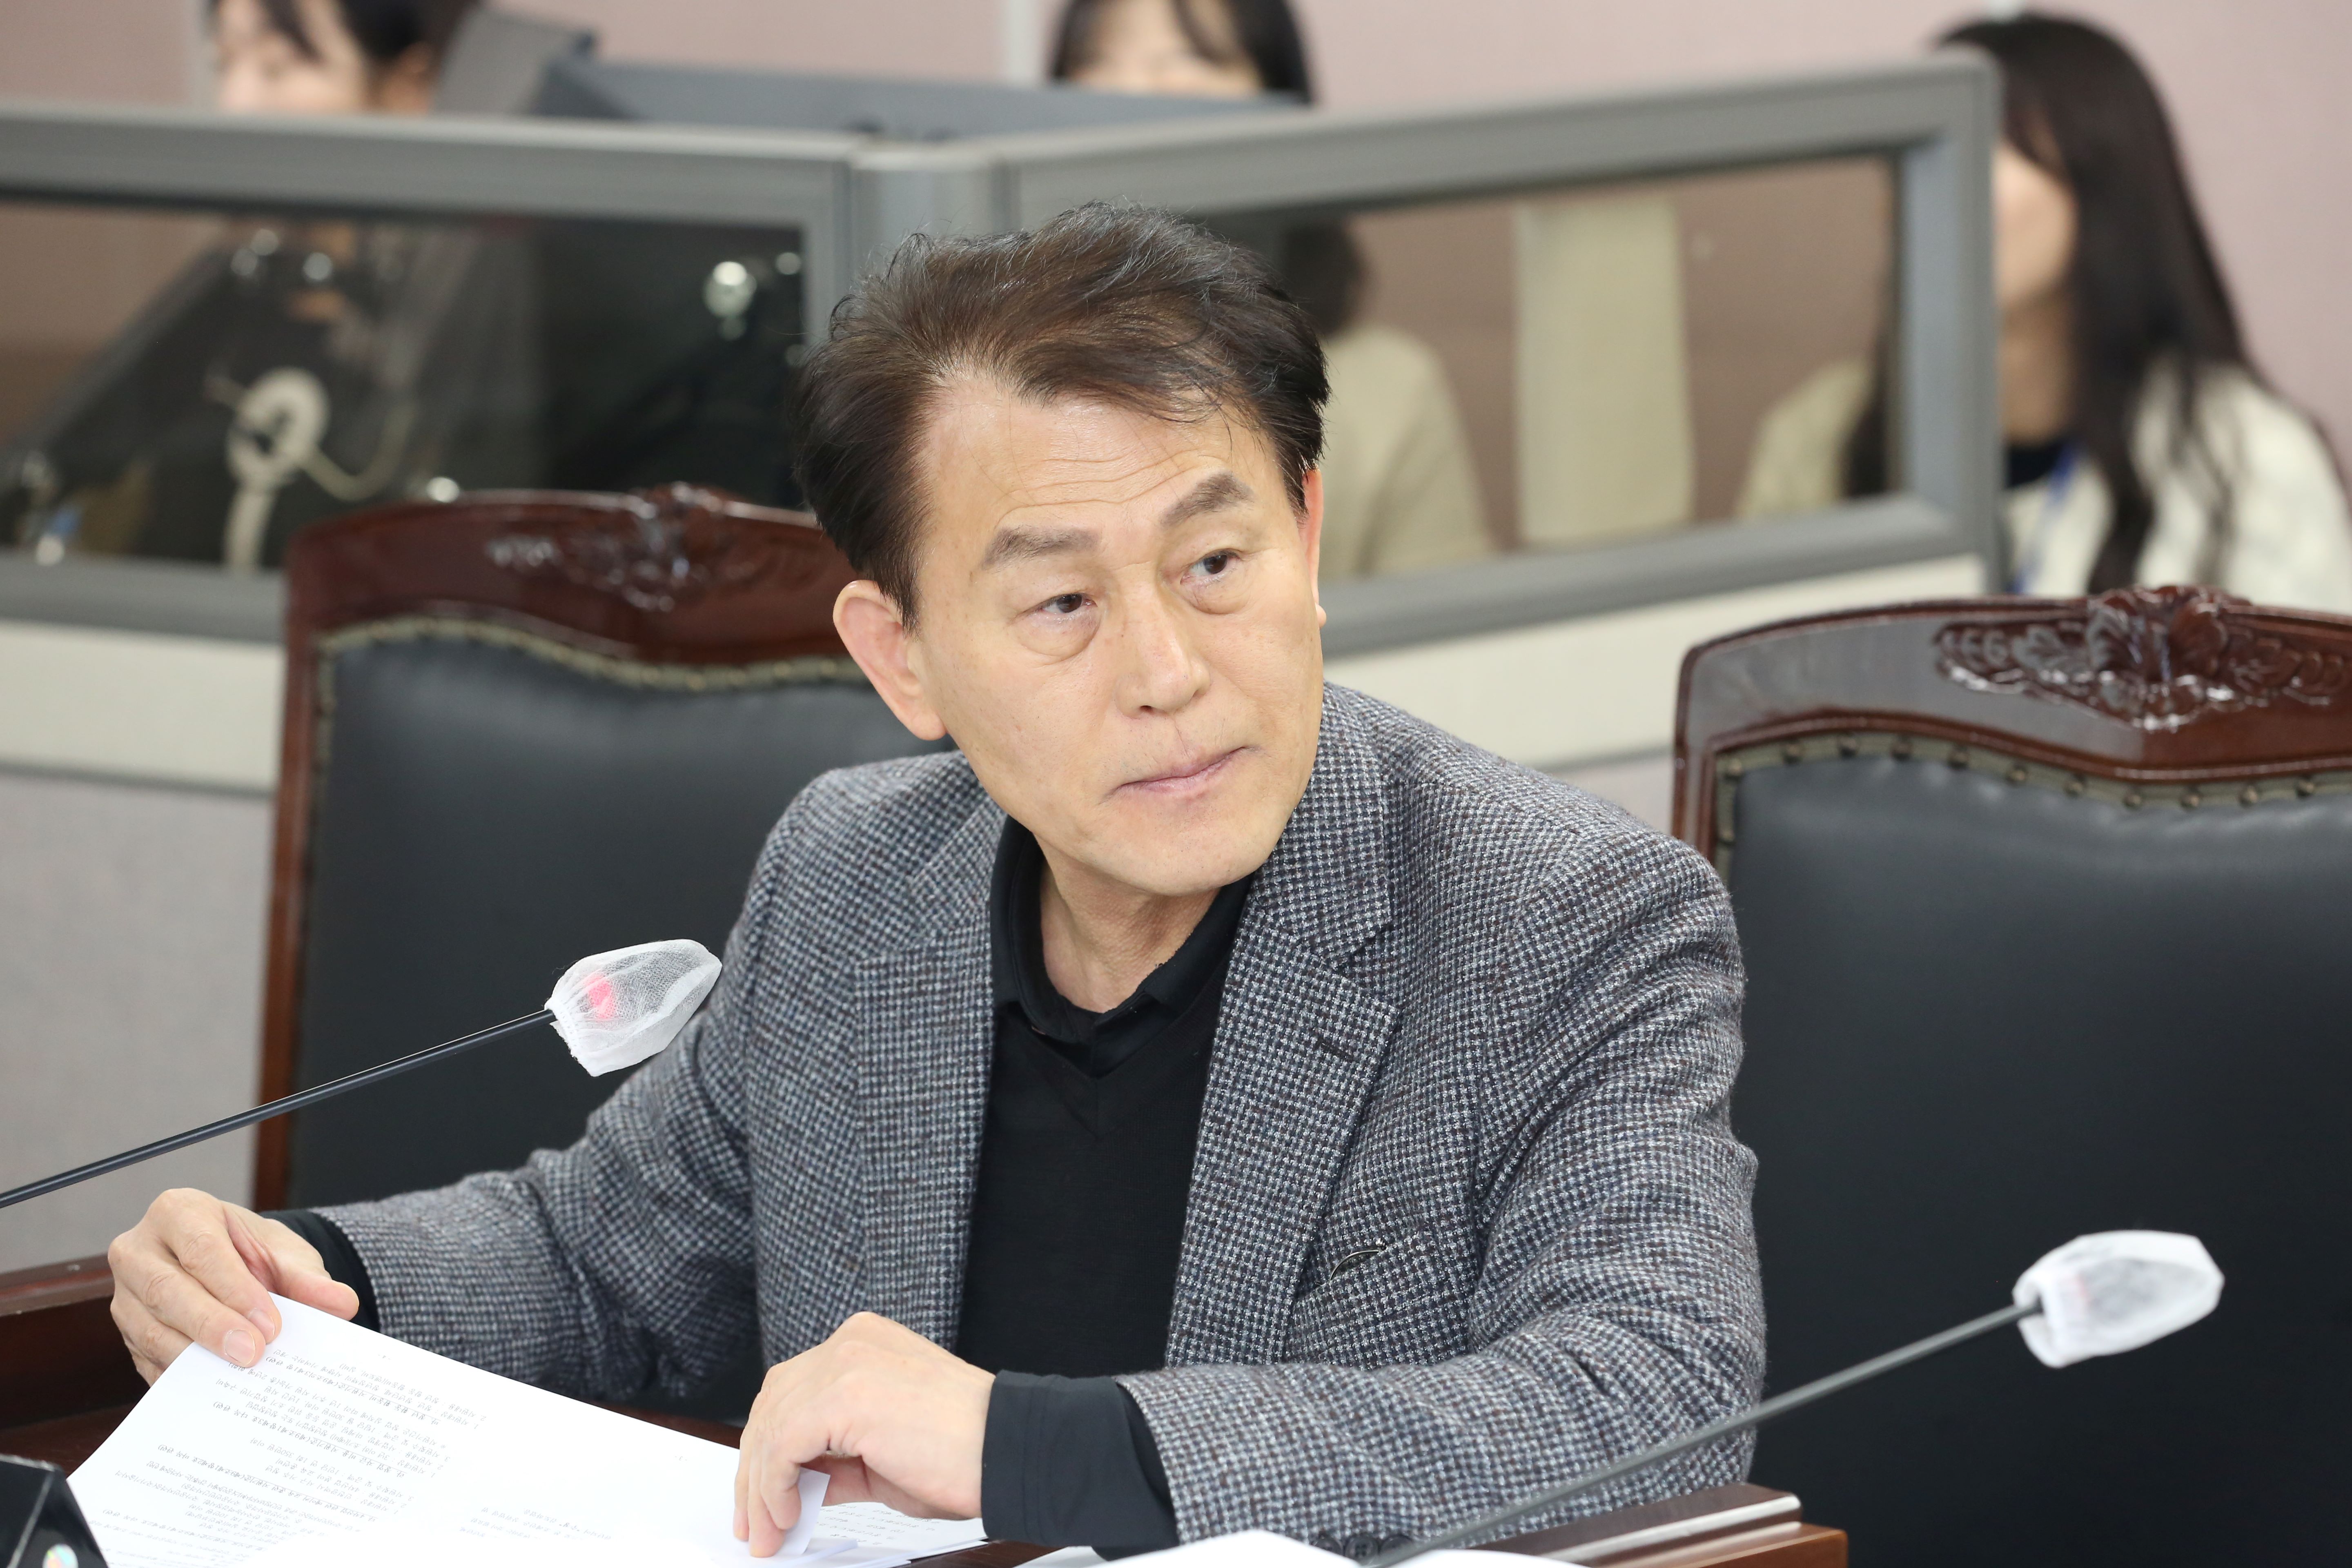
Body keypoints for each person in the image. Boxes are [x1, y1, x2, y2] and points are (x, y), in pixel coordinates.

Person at [107, 207, 1761, 1558]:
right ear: (901, 657)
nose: (1171, 672)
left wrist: (1030, 1445)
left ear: (1309, 537)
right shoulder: (859, 878)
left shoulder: (1566, 915)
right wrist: (300, 1277)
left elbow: (1653, 1397)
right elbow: (607, 1260)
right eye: (1062, 606)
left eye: (1215, 563)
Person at [1738, 13, 2352, 613]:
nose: (1931, 186)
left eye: (1992, 144)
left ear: (2101, 185)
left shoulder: (2249, 461)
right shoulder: (1816, 441)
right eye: (1916, 153)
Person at [1054, 0, 1492, 581]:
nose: (1127, 91)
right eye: (1096, 61)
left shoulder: (1390, 386)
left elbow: (1447, 619)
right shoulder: (990, 390)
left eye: (1186, 58)